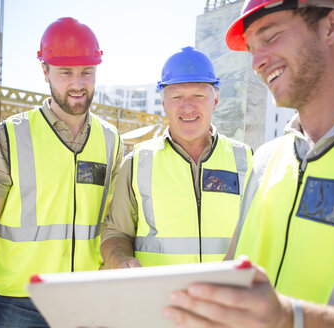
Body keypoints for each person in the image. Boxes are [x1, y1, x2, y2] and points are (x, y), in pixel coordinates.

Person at [163, 0, 334, 327]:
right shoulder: (266, 159)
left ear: (332, 27)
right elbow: (232, 265)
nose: (257, 62)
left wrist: (294, 319)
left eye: (271, 37)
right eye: (251, 49)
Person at [0, 17, 123, 327]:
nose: (77, 83)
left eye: (87, 72)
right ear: (45, 71)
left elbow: (115, 223)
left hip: (87, 300)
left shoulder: (112, 141)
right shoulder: (5, 138)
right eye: (65, 73)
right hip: (18, 303)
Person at [100, 46, 253, 269]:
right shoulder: (136, 164)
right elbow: (116, 233)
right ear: (164, 104)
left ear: (216, 100)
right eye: (177, 96)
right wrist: (121, 260)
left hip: (226, 298)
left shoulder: (246, 159)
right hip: (159, 299)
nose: (188, 107)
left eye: (198, 95)